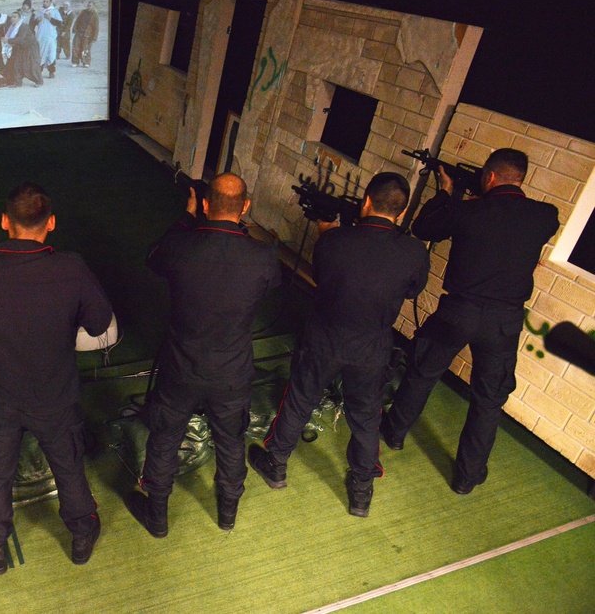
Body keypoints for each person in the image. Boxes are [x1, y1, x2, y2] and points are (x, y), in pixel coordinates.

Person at [380, 148, 560, 495]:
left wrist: (447, 192)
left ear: (489, 177)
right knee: (488, 400)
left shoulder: (467, 211)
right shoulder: (545, 216)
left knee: (422, 372)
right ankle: (467, 477)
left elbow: (424, 228)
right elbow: (515, 231)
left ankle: (394, 433)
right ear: (520, 178)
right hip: (504, 321)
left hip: (458, 312)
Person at [249, 173, 429, 517]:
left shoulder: (334, 241)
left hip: (325, 339)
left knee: (301, 398)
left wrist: (326, 231)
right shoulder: (413, 252)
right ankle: (361, 492)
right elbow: (411, 290)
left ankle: (277, 464)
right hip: (372, 347)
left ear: (365, 201)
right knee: (364, 416)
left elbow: (323, 275)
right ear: (402, 213)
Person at [0, 183, 113, 573]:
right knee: (68, 465)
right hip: (55, 396)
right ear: (52, 223)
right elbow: (98, 325)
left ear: (5, 222)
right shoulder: (72, 268)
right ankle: (81, 533)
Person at [125, 174, 281, 537]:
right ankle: (227, 514)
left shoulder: (181, 246)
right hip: (231, 373)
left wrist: (186, 216)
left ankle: (158, 517)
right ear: (245, 207)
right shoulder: (262, 256)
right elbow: (270, 285)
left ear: (206, 205)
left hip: (181, 369)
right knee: (230, 442)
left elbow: (154, 255)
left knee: (164, 440)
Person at [3, 11, 43, 88]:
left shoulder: (23, 26)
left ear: (19, 18)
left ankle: (39, 81)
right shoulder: (12, 27)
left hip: (30, 48)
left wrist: (8, 40)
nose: (13, 19)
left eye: (15, 17)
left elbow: (20, 39)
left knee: (31, 65)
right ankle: (17, 82)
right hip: (20, 48)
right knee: (17, 64)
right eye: (12, 17)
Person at [35, 0, 63, 78]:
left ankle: (51, 71)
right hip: (41, 36)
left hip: (50, 37)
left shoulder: (54, 11)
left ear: (50, 2)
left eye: (46, 1)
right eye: (43, 1)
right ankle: (39, 72)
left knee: (51, 54)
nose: (45, 3)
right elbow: (34, 22)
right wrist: (37, 20)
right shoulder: (41, 11)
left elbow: (60, 23)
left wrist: (50, 18)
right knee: (40, 54)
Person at [71, 2, 99, 68]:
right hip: (79, 33)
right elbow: (77, 21)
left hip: (87, 35)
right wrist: (74, 28)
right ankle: (75, 62)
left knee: (86, 49)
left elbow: (96, 27)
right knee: (76, 47)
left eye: (90, 6)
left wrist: (95, 37)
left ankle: (86, 62)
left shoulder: (95, 15)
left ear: (93, 6)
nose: (88, 7)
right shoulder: (83, 12)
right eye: (88, 6)